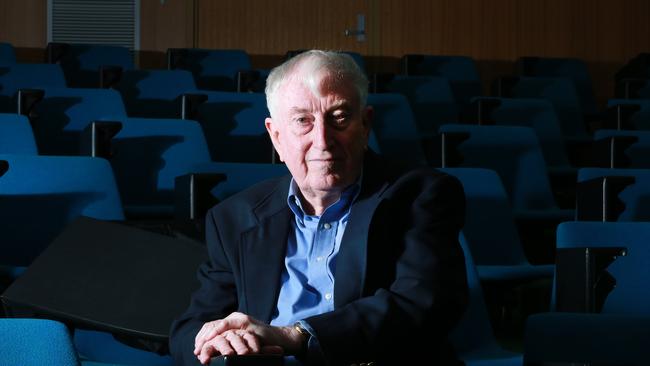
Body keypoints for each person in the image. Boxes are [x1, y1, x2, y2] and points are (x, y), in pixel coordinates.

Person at [169, 50, 468, 366]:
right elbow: (188, 330)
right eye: (302, 121)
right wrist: (215, 341)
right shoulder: (233, 218)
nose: (323, 140)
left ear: (365, 125)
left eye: (339, 118)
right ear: (276, 137)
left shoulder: (421, 195)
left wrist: (296, 336)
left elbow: (423, 303)